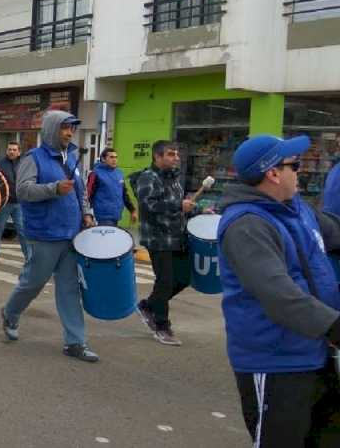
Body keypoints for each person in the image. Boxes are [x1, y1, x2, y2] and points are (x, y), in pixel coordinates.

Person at [218, 134, 340, 447]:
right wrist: (334, 326)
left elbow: (334, 236)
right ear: (272, 173)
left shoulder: (297, 208)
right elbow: (279, 296)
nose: (302, 171)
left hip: (315, 353)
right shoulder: (247, 225)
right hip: (275, 364)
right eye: (295, 165)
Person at [0, 111, 99, 363]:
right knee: (32, 283)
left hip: (71, 235)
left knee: (69, 288)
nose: (69, 133)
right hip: (44, 234)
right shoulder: (34, 158)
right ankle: (10, 312)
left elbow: (81, 193)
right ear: (50, 130)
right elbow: (22, 191)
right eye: (64, 128)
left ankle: (75, 342)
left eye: (71, 129)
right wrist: (53, 189)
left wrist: (87, 214)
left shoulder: (72, 157)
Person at [133, 140, 202, 346]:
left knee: (183, 278)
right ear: (157, 157)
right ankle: (162, 326)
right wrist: (179, 205)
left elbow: (181, 206)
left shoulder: (174, 179)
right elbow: (148, 205)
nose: (176, 158)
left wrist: (197, 210)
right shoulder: (148, 177)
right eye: (171, 154)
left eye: (177, 154)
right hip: (158, 238)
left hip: (177, 236)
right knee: (165, 282)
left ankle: (148, 305)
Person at [0, 141, 30, 263]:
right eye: (9, 149)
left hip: (19, 203)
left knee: (22, 230)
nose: (11, 151)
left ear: (19, 152)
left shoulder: (24, 163)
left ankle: (28, 258)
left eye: (14, 150)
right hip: (4, 203)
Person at [87, 148, 138, 227]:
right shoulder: (96, 174)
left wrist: (132, 210)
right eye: (111, 157)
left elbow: (124, 194)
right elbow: (88, 195)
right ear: (103, 159)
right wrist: (88, 215)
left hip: (116, 215)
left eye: (116, 157)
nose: (114, 160)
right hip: (102, 217)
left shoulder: (119, 173)